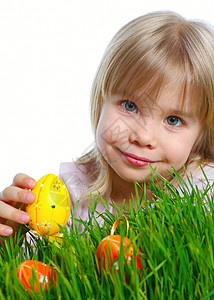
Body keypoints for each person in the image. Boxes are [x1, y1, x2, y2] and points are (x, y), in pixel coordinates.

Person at [1, 10, 214, 239]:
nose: (142, 137)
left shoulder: (204, 194)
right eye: (130, 106)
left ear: (202, 133)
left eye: (173, 120)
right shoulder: (70, 194)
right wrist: (11, 240)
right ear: (101, 99)